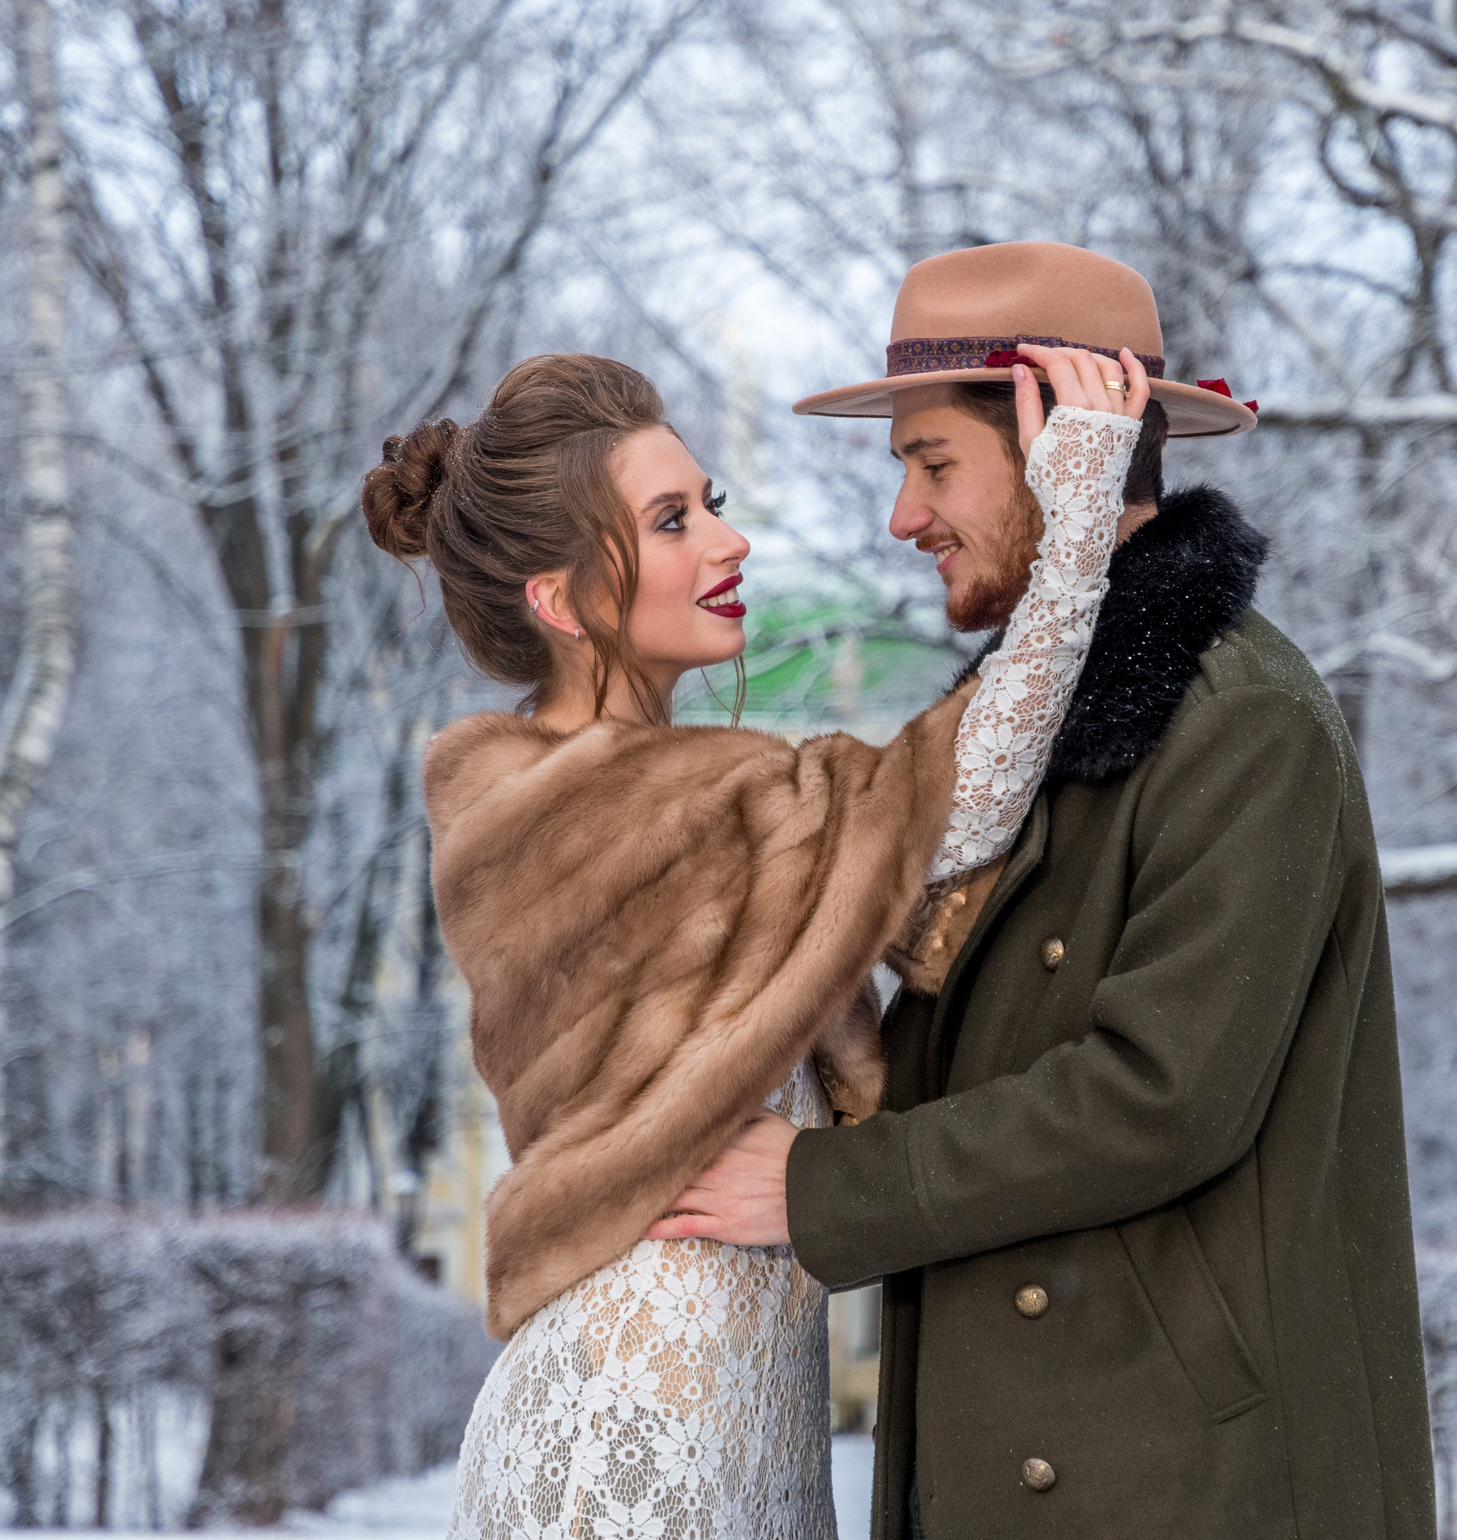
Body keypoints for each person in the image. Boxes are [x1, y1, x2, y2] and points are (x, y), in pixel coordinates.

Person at [658, 243, 1438, 1540]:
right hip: (1003, 1463)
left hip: (1185, 1484)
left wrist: (818, 1190)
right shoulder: (1002, 727)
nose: (903, 519)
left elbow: (1165, 1095)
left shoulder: (1241, 716)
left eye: (933, 463)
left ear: (1062, 442)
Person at [358, 345, 1145, 1540]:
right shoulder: (582, 816)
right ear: (562, 601)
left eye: (711, 504)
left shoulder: (668, 797)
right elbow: (955, 801)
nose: (727, 541)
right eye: (671, 520)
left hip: (737, 1417)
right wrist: (1077, 515)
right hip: (628, 1437)